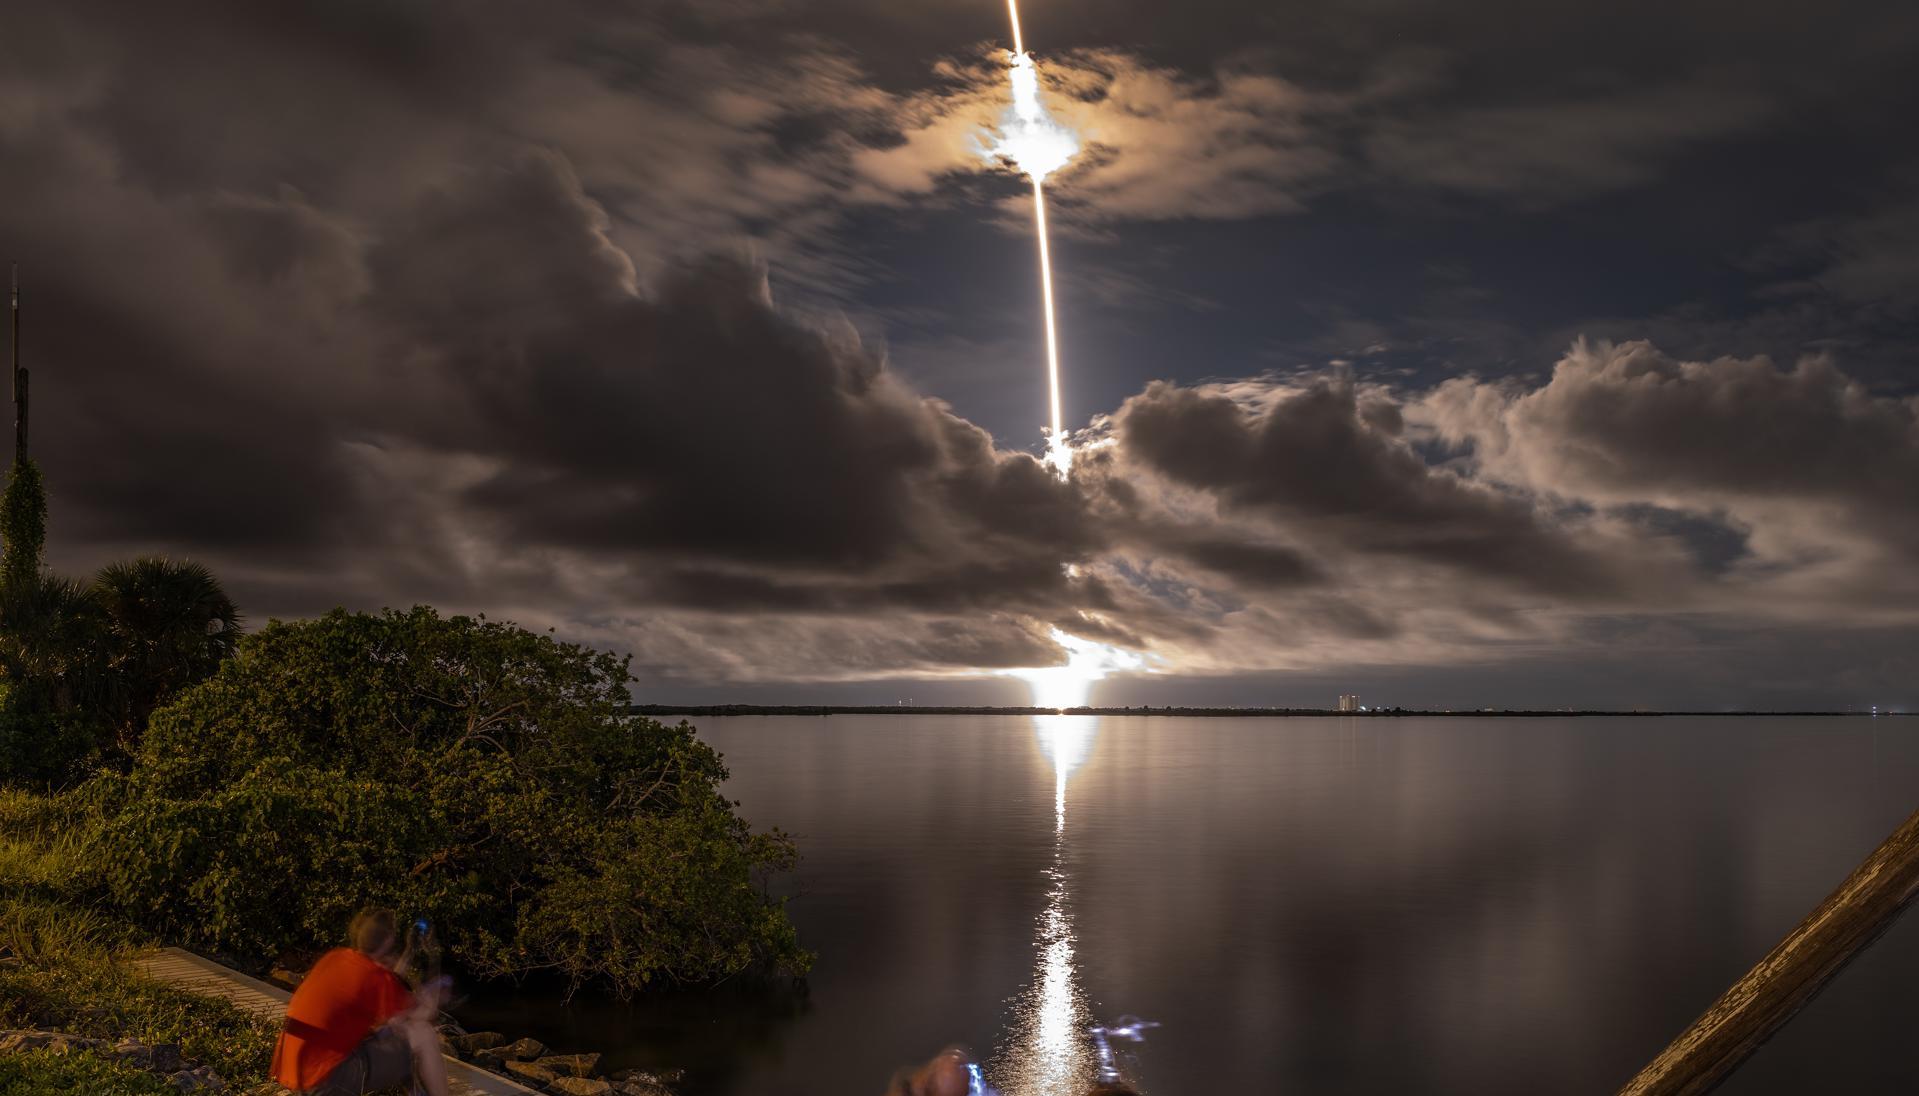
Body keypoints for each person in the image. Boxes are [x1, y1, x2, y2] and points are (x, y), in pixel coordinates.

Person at [271, 908, 452, 1096]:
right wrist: (434, 960)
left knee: (395, 1034)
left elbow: (387, 987)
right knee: (423, 1033)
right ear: (389, 940)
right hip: (326, 1082)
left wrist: (409, 952)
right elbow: (425, 1012)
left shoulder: (337, 957)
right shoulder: (375, 978)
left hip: (297, 1073)